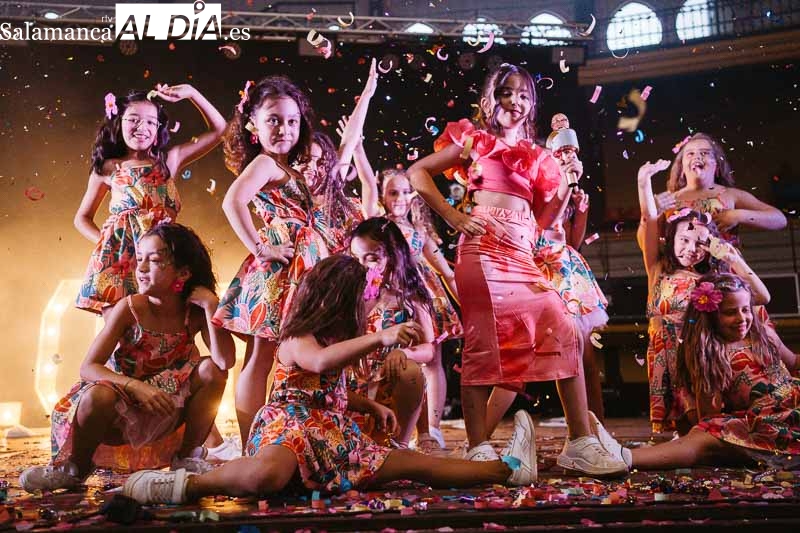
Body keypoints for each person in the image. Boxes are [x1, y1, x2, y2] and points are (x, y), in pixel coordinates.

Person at [121, 256, 537, 504]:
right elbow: (318, 365)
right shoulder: (298, 337)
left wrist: (366, 404)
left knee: (419, 465)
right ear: (339, 300)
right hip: (290, 427)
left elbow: (327, 390)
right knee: (266, 477)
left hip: (334, 434)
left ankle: (509, 469)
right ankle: (184, 485)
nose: (369, 302)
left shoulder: (339, 338)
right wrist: (381, 336)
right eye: (362, 297)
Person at [408, 63, 627, 476]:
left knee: (563, 324)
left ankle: (579, 443)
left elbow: (543, 221)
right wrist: (453, 217)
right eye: (506, 93)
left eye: (524, 95)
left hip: (522, 253)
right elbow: (417, 172)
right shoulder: (475, 141)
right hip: (483, 250)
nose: (515, 101)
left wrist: (566, 187)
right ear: (489, 100)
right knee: (483, 343)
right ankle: (478, 447)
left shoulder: (538, 156)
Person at [21, 223, 235, 492]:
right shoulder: (130, 308)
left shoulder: (194, 313)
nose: (141, 268)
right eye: (139, 258)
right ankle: (74, 468)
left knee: (212, 370)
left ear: (183, 272)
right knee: (97, 395)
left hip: (165, 407)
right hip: (121, 406)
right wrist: (135, 387)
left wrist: (211, 305)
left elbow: (224, 362)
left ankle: (186, 458)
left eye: (153, 260)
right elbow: (88, 367)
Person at [212, 76, 328, 444]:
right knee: (261, 355)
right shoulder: (263, 163)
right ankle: (251, 443)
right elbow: (233, 201)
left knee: (278, 356)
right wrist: (262, 248)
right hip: (278, 270)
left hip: (299, 268)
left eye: (292, 121)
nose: (284, 129)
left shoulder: (288, 167)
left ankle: (277, 434)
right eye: (274, 120)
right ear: (253, 125)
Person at [592, 273, 800, 471]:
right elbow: (709, 417)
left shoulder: (764, 335)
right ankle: (622, 457)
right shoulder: (711, 354)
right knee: (706, 432)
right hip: (762, 421)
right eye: (730, 312)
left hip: (793, 406)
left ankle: (623, 456)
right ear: (710, 316)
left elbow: (793, 362)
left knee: (704, 435)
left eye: (746, 309)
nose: (742, 318)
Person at [638, 159, 771, 433]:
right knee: (678, 430)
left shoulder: (712, 281)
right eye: (684, 240)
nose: (691, 249)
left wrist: (734, 260)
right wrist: (644, 182)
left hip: (700, 362)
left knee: (701, 426)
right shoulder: (658, 269)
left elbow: (761, 297)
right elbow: (650, 219)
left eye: (700, 243)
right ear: (671, 240)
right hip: (666, 360)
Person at [75, 86, 226, 315]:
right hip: (122, 262)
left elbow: (220, 130)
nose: (142, 127)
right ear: (118, 122)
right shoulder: (109, 167)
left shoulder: (169, 161)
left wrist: (192, 94)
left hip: (163, 258)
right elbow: (82, 218)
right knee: (123, 327)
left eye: (150, 122)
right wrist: (106, 242)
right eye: (133, 120)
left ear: (158, 129)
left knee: (178, 320)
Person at [371, 169, 462, 450]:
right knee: (390, 357)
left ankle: (431, 428)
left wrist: (470, 306)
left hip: (424, 298)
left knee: (432, 359)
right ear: (381, 196)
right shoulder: (378, 229)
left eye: (405, 192)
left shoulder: (419, 233)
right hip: (391, 299)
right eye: (392, 192)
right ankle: (395, 424)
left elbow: (446, 271)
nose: (399, 198)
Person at [347, 217, 435, 448]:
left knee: (410, 371)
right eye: (356, 258)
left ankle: (400, 443)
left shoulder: (409, 296)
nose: (362, 266)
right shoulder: (349, 294)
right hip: (353, 385)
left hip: (388, 380)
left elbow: (429, 348)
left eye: (371, 258)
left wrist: (405, 353)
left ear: (394, 255)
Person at [294, 59, 381, 253]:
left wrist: (367, 94)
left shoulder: (332, 185)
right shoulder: (287, 196)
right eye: (305, 160)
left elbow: (349, 140)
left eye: (320, 162)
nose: (312, 167)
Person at [641, 133, 786, 248]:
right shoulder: (669, 200)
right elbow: (645, 245)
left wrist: (738, 215)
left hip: (726, 273)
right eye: (690, 154)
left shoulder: (731, 195)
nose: (697, 156)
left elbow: (780, 219)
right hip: (682, 275)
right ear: (682, 168)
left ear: (717, 165)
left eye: (705, 153)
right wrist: (650, 215)